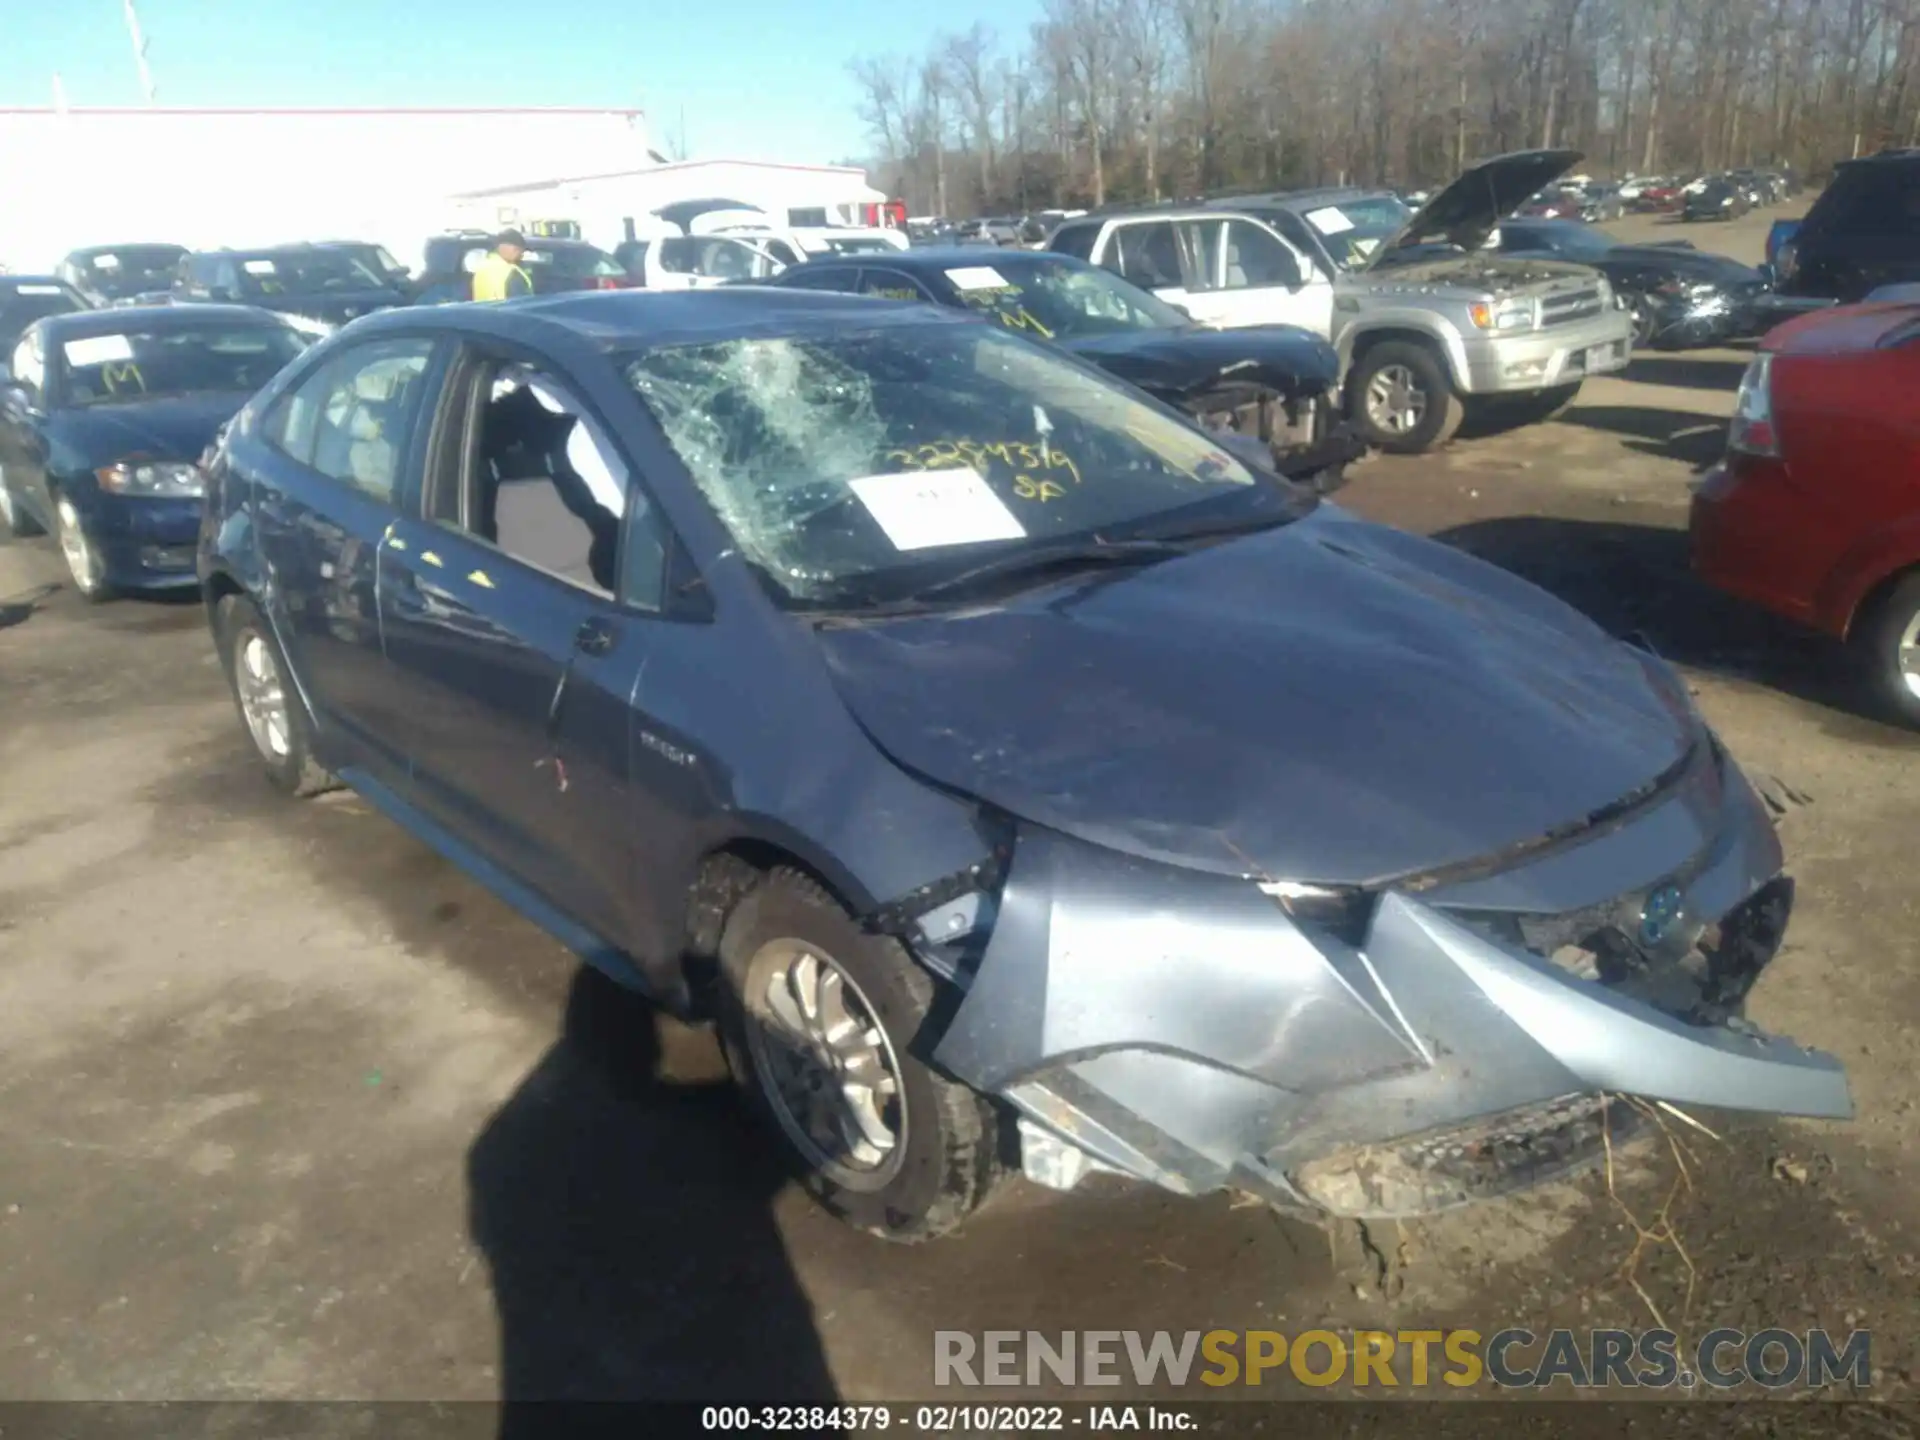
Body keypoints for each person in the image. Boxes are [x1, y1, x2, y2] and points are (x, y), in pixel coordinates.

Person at [472, 230, 534, 302]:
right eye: (519, 250)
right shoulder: (512, 273)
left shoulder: (481, 268)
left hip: (483, 312)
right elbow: (522, 305)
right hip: (506, 313)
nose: (521, 254)